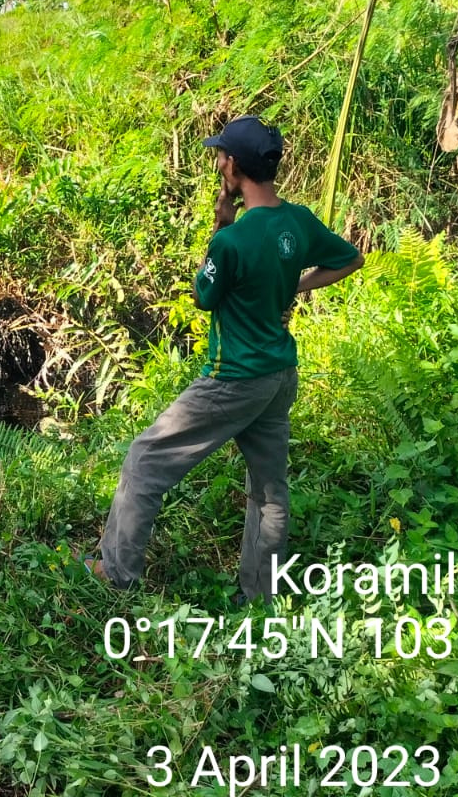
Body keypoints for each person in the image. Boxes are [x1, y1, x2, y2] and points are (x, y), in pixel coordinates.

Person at [89, 115, 364, 601]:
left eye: (221, 156)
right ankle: (258, 597)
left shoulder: (231, 240)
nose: (218, 162)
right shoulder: (297, 221)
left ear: (233, 166)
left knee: (144, 459)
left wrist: (221, 223)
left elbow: (203, 296)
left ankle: (117, 574)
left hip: (232, 378)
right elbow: (349, 258)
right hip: (279, 374)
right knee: (269, 490)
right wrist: (294, 284)